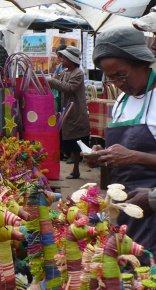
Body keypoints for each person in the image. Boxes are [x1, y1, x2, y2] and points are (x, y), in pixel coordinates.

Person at [86, 26, 156, 263]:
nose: (117, 83)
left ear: (141, 63)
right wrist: (102, 154)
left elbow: (131, 154)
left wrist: (134, 157)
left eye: (121, 75)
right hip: (127, 207)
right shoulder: (121, 102)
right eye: (111, 77)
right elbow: (122, 148)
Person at [48, 46, 90, 179]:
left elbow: (69, 88)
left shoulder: (78, 73)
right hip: (67, 110)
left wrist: (52, 81)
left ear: (72, 60)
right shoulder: (66, 72)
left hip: (76, 112)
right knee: (69, 140)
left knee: (77, 141)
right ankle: (73, 167)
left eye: (64, 58)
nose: (62, 60)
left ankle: (76, 169)